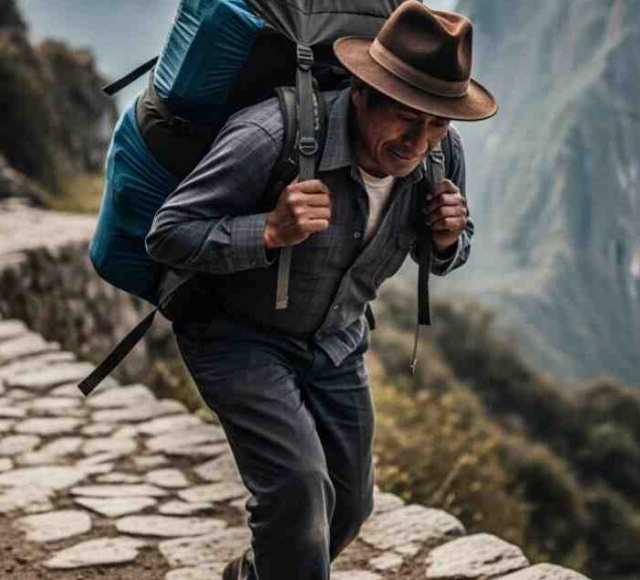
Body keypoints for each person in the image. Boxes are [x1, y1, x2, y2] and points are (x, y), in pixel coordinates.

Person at [144, 2, 497, 578]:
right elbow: (169, 234)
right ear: (363, 92)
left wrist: (448, 237)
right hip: (236, 334)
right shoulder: (272, 134)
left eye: (438, 121)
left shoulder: (439, 153)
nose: (419, 140)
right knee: (298, 491)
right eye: (407, 115)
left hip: (336, 340)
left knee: (350, 504)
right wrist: (269, 230)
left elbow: (450, 251)